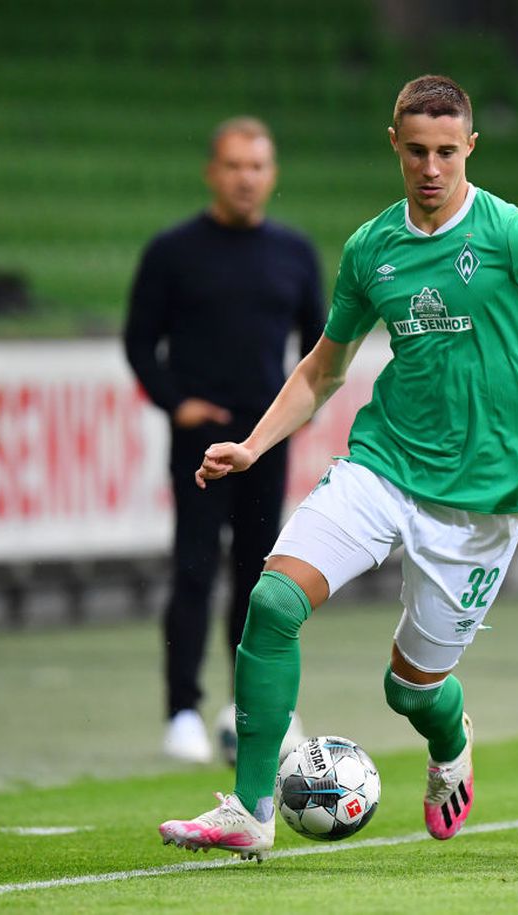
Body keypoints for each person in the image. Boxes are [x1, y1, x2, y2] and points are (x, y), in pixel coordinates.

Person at [158, 75, 518, 860]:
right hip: (383, 466)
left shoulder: (513, 234)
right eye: (416, 151)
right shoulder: (372, 248)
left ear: (470, 146)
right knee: (272, 602)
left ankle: (450, 741)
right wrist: (254, 444)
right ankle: (250, 808)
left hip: (482, 502)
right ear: (394, 145)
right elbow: (323, 368)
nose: (431, 167)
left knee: (408, 688)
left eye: (447, 151)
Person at [125, 117, 324, 765]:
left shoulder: (294, 252)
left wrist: (294, 415)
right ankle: (181, 709)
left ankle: (248, 707)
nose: (246, 178)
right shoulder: (173, 251)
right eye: (234, 165)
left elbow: (320, 344)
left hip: (262, 442)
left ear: (272, 175)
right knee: (194, 568)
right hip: (201, 442)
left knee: (259, 575)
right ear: (213, 172)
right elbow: (139, 341)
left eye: (257, 166)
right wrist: (176, 403)